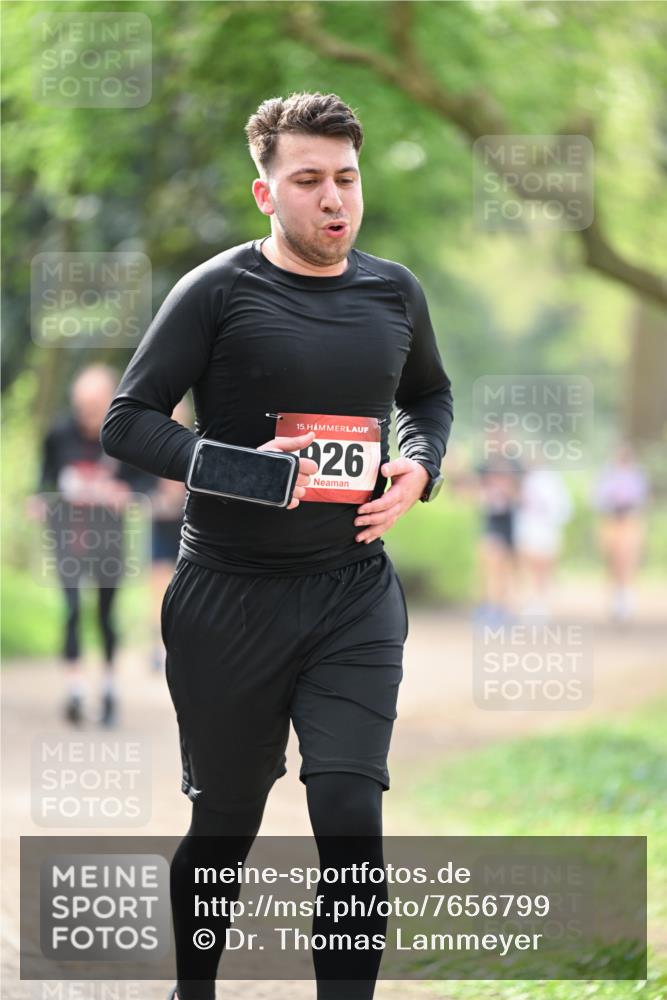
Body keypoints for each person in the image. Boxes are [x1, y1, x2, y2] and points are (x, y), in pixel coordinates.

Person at [100, 91, 453, 1000]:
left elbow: (427, 398)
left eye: (345, 178)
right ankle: (196, 991)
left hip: (350, 591)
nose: (333, 199)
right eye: (308, 181)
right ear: (266, 194)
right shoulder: (217, 291)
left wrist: (417, 464)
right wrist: (238, 467)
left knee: (346, 809)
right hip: (228, 596)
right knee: (225, 822)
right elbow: (128, 423)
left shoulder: (393, 291)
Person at [27, 364, 149, 726]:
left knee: (106, 614)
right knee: (72, 609)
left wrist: (125, 493)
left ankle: (110, 689)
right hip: (66, 535)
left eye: (95, 407)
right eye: (83, 407)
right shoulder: (59, 433)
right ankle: (75, 690)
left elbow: (144, 483)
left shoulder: (123, 436)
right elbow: (45, 475)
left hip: (109, 538)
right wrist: (37, 499)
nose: (88, 415)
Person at [144, 398, 192, 671]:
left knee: (186, 586)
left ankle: (181, 643)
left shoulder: (195, 443)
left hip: (187, 525)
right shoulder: (150, 448)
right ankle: (158, 647)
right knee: (159, 587)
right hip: (160, 525)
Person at [593, 442, 649, 623]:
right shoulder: (607, 474)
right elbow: (598, 497)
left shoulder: (637, 475)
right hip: (612, 520)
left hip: (630, 520)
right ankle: (617, 597)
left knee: (629, 559)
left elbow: (643, 498)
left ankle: (627, 597)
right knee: (613, 560)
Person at [473, 442, 523, 625]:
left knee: (508, 570)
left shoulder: (517, 466)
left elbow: (521, 497)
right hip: (492, 526)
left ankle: (504, 609)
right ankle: (490, 607)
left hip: (512, 527)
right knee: (490, 567)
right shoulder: (483, 467)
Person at [515, 463, 572, 617]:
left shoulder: (552, 481)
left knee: (542, 570)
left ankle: (540, 604)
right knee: (528, 569)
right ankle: (531, 602)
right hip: (529, 531)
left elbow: (562, 508)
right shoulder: (527, 480)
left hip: (546, 532)